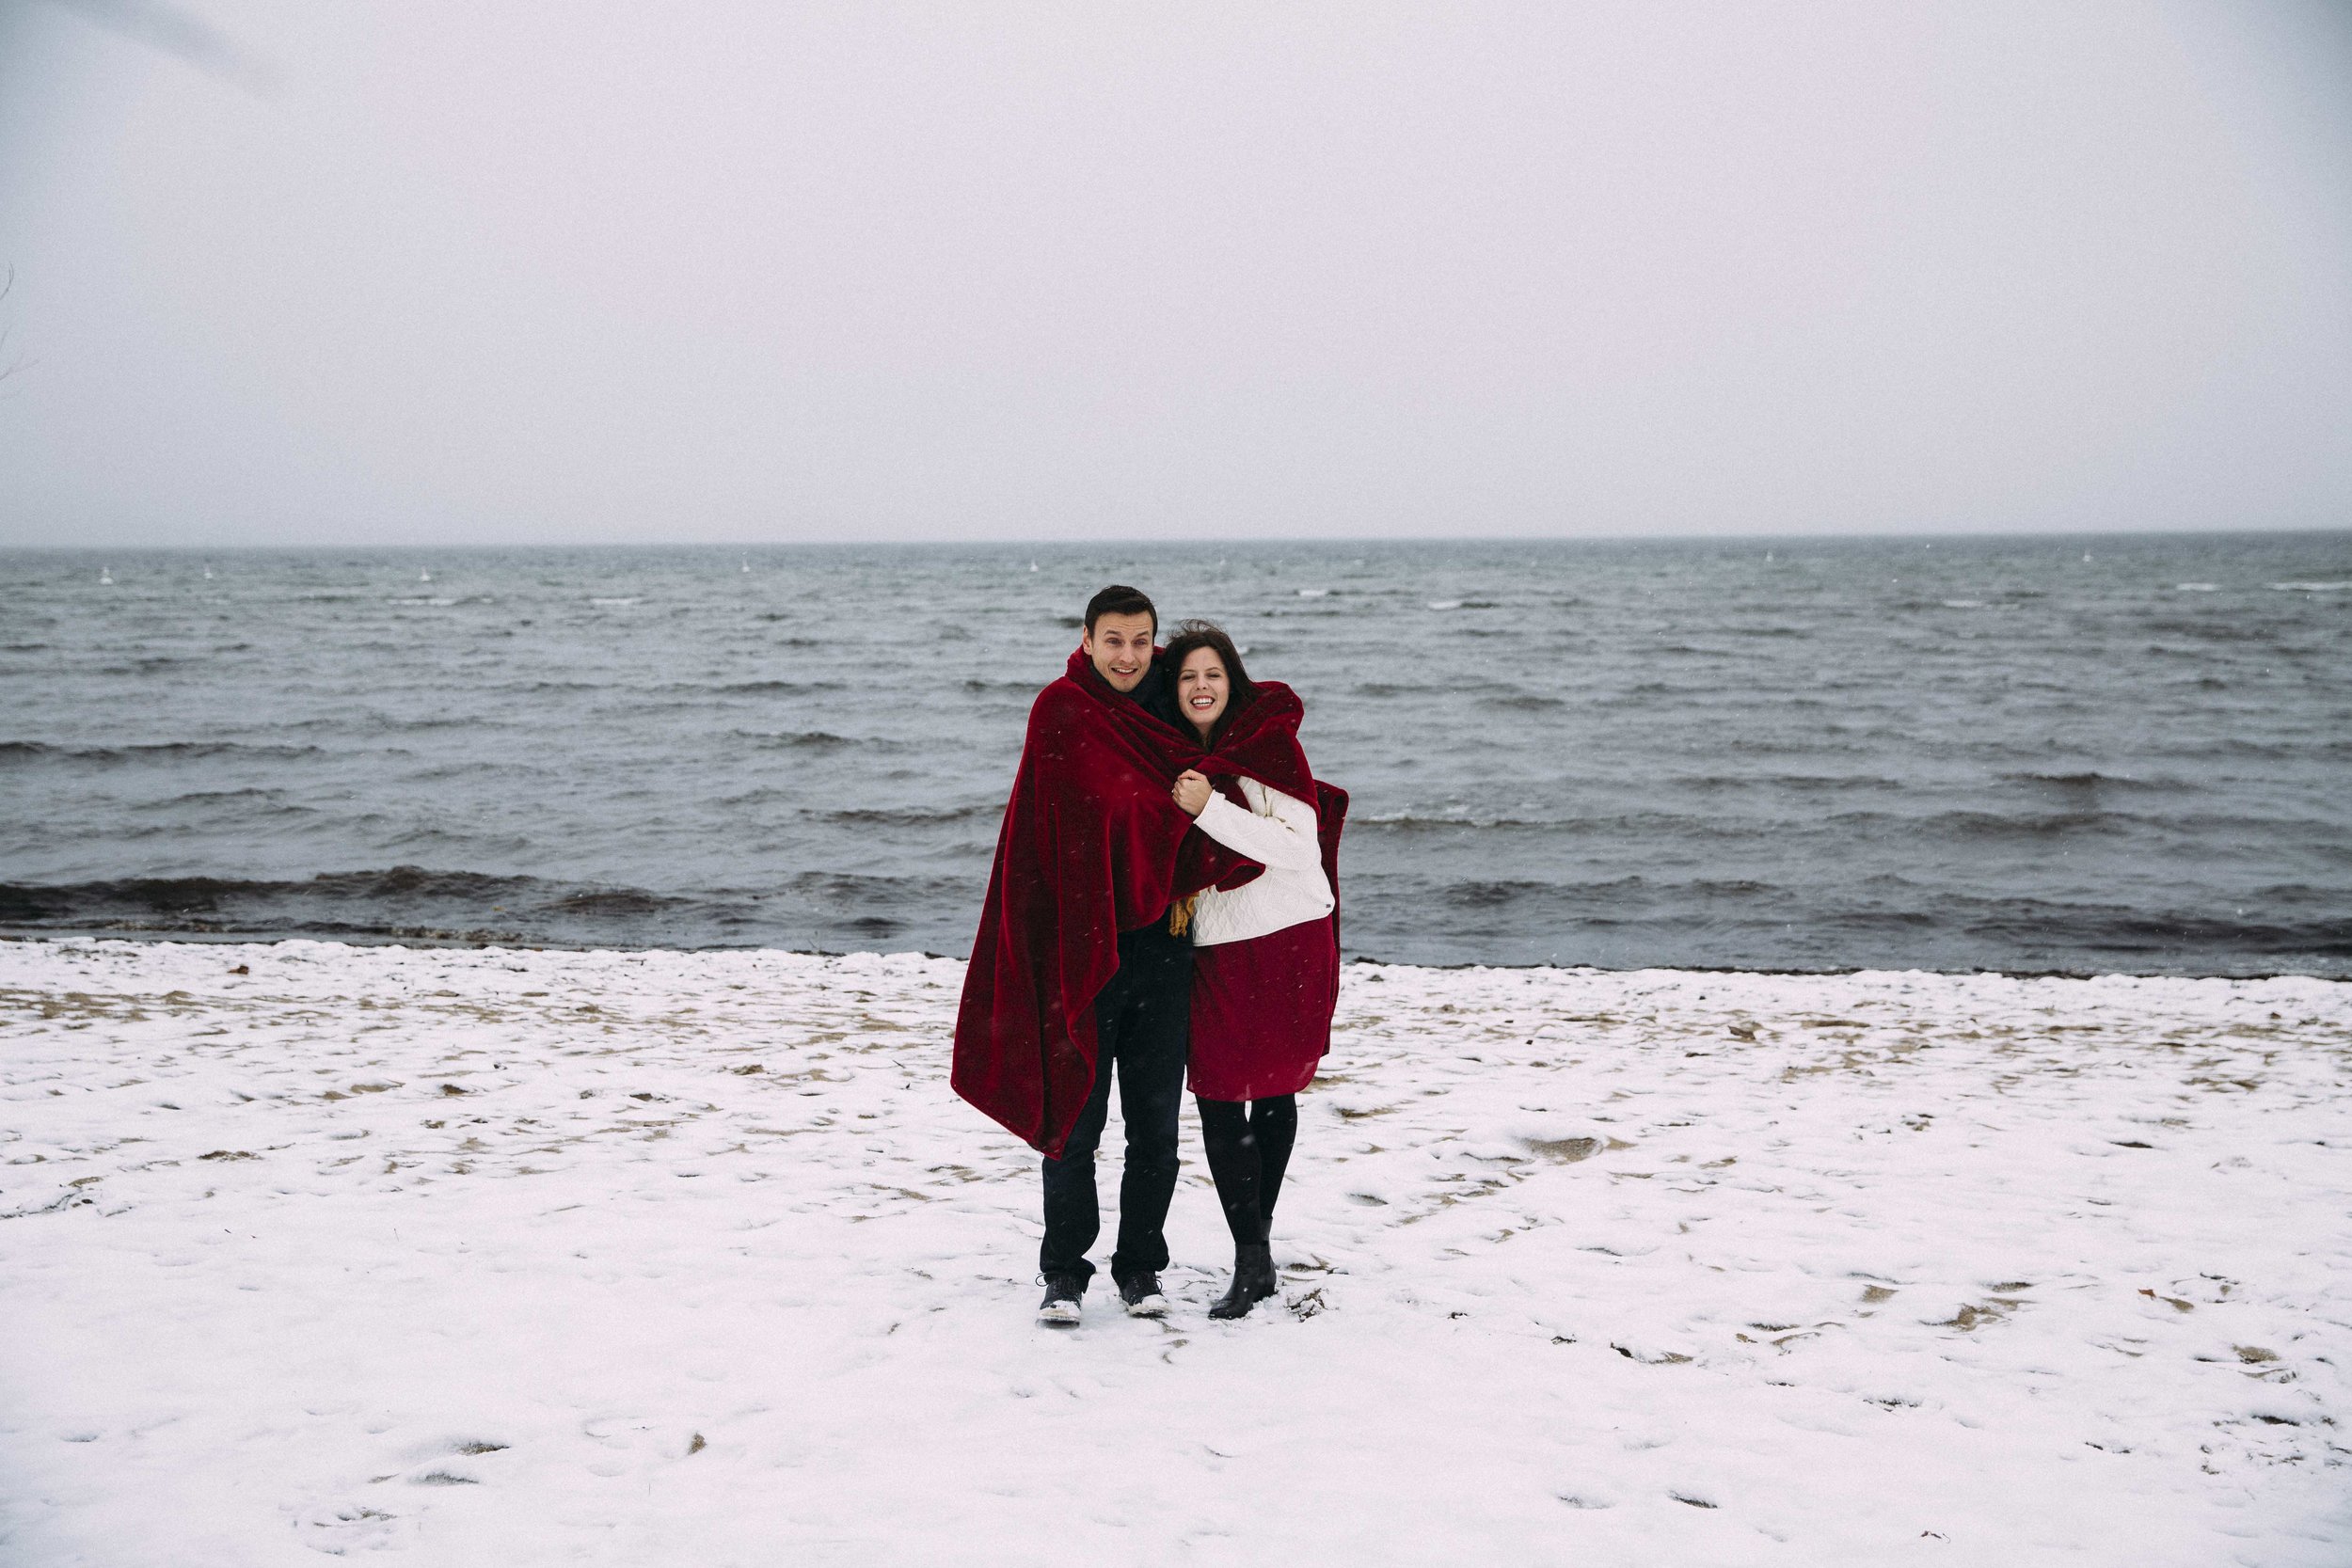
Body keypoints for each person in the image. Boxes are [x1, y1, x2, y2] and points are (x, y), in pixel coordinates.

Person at [951, 586, 1258, 1327]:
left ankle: (1140, 1268)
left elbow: (1220, 782)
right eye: (1113, 639)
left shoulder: (1171, 709)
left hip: (1164, 945)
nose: (1127, 655)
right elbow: (1036, 838)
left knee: (1154, 1125)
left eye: (1140, 640)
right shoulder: (1059, 710)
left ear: (1155, 641)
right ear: (1086, 638)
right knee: (1076, 1121)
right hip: (1079, 949)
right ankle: (1063, 1272)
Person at [1158, 620, 1344, 1320]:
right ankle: (1254, 1249)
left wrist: (1210, 809)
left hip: (1288, 938)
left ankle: (1252, 1256)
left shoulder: (1269, 746)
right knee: (1214, 1094)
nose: (1200, 686)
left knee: (1272, 1093)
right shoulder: (1169, 754)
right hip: (1214, 945)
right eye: (1186, 677)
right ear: (1172, 692)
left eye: (1211, 674)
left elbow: (1298, 850)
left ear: (1231, 680)